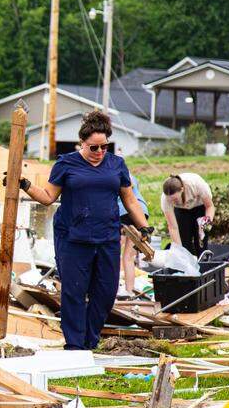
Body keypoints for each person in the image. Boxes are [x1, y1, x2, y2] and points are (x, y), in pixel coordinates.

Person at [10, 110, 152, 351]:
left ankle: (90, 338)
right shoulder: (66, 164)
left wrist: (144, 226)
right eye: (93, 148)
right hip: (73, 237)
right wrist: (25, 185)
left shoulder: (117, 164)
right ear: (82, 143)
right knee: (74, 291)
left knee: (106, 292)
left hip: (107, 236)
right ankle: (76, 345)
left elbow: (129, 200)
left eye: (104, 147)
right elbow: (47, 197)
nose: (99, 153)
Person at [161, 173, 215, 256]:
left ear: (182, 189)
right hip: (181, 210)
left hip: (200, 206)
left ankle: (204, 261)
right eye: (170, 199)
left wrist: (205, 226)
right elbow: (172, 227)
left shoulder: (196, 184)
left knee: (201, 239)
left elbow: (210, 207)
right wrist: (179, 250)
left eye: (175, 199)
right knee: (184, 242)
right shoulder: (165, 199)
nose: (172, 202)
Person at [117, 170, 149, 297]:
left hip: (122, 211)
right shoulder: (132, 176)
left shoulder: (111, 174)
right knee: (129, 257)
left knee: (112, 254)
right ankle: (129, 291)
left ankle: (112, 290)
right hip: (141, 212)